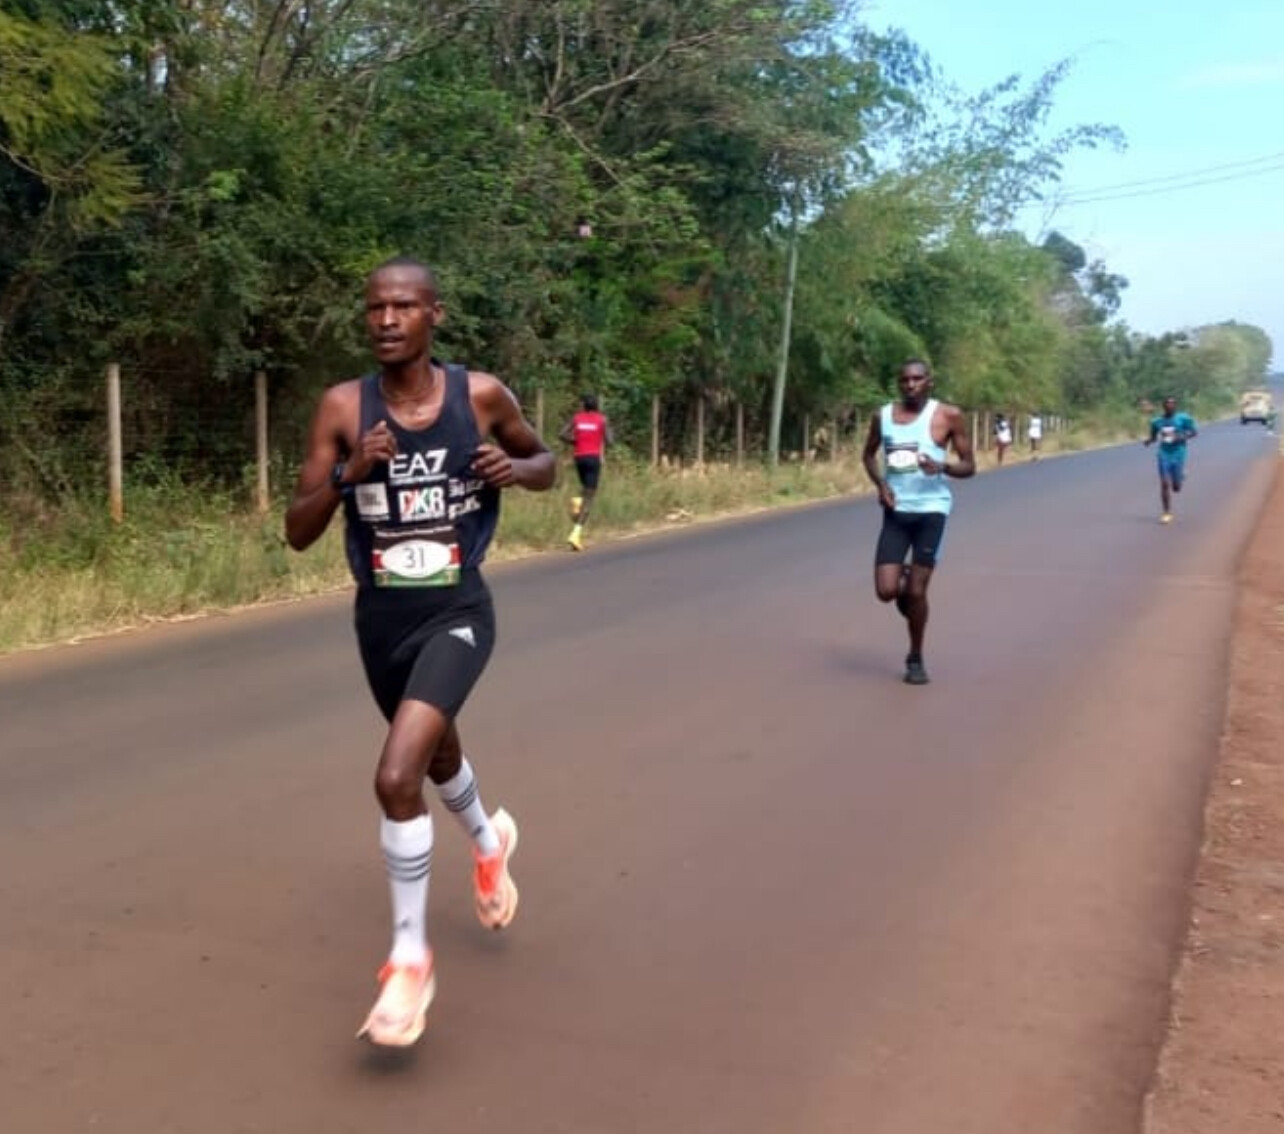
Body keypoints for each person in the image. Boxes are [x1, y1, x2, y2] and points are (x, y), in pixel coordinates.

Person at [284, 256, 555, 1047]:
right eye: (375, 307)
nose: (386, 320)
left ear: (435, 314)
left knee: (396, 774)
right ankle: (489, 842)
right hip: (381, 620)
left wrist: (517, 469)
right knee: (438, 757)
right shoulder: (344, 407)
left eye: (403, 306)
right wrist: (348, 474)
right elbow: (296, 531)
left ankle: (409, 963)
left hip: (458, 610)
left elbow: (544, 463)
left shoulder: (480, 396)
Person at [862, 359, 976, 685]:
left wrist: (942, 467)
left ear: (929, 382)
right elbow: (868, 455)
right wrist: (881, 485)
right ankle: (911, 592)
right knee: (886, 591)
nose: (910, 385)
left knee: (916, 591)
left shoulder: (948, 416)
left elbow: (969, 466)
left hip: (931, 512)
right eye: (904, 380)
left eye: (917, 379)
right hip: (896, 512)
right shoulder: (883, 416)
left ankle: (915, 657)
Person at [559, 393, 613, 551]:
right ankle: (575, 534)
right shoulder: (602, 419)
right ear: (597, 405)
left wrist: (575, 441)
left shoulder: (577, 418)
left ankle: (578, 502)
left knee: (584, 487)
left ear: (584, 405)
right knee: (590, 497)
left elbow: (562, 434)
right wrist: (603, 436)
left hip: (579, 458)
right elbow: (610, 441)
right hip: (593, 458)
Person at [1143, 395, 1197, 524]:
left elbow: (1194, 432)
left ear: (1176, 406)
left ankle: (1180, 475)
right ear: (1163, 406)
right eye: (1167, 403)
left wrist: (1182, 437)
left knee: (1176, 487)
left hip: (1179, 453)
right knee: (1164, 483)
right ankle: (1166, 513)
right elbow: (1153, 436)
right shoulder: (1157, 421)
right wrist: (1149, 441)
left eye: (1172, 403)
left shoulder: (1183, 418)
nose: (1170, 406)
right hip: (1164, 453)